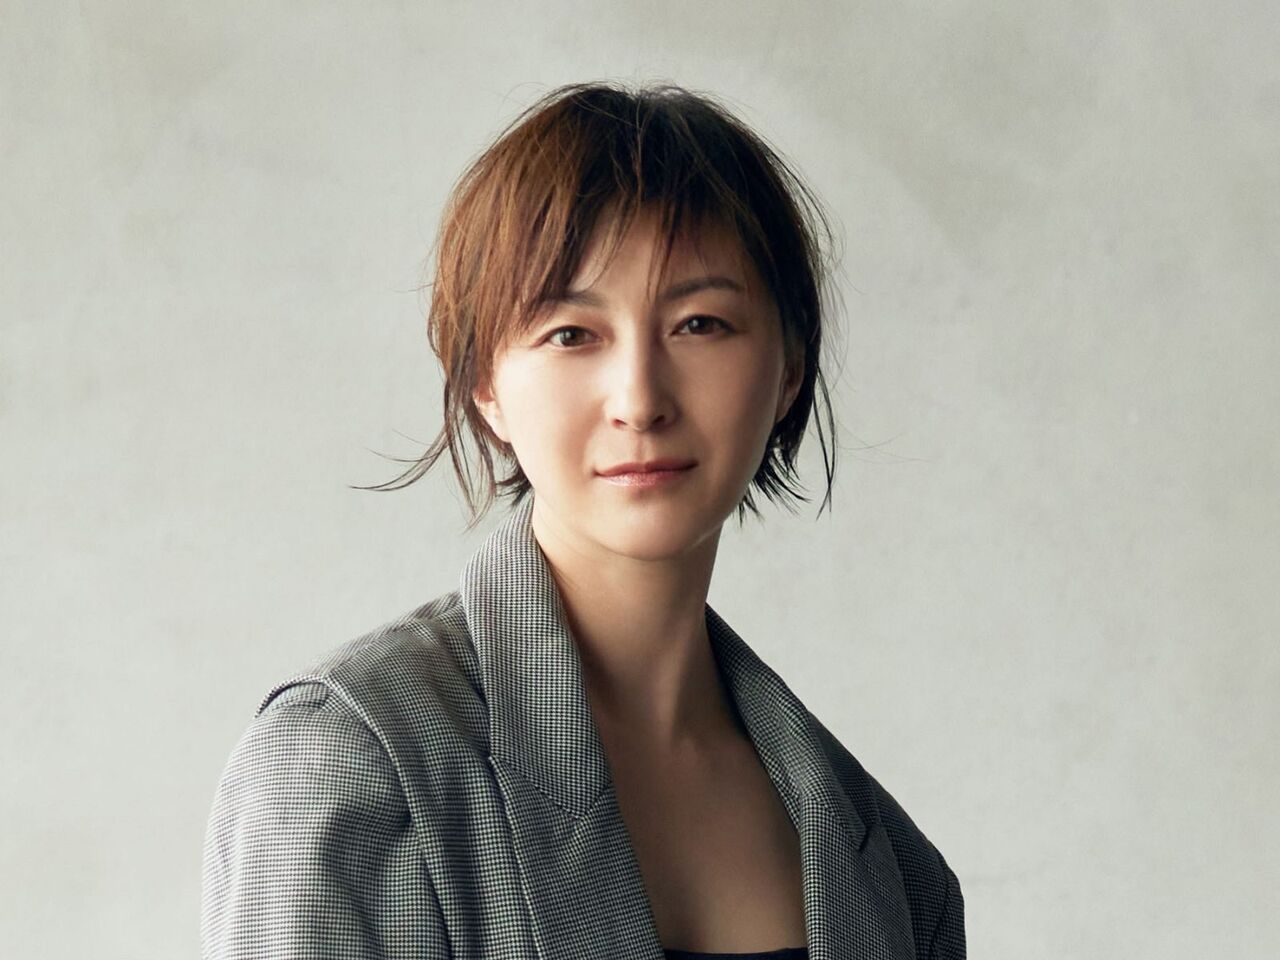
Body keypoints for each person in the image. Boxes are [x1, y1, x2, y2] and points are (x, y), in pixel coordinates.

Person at [200, 81, 966, 960]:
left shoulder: (890, 868)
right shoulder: (352, 764)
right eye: (571, 333)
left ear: (789, 368)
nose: (639, 399)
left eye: (700, 323)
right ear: (484, 384)